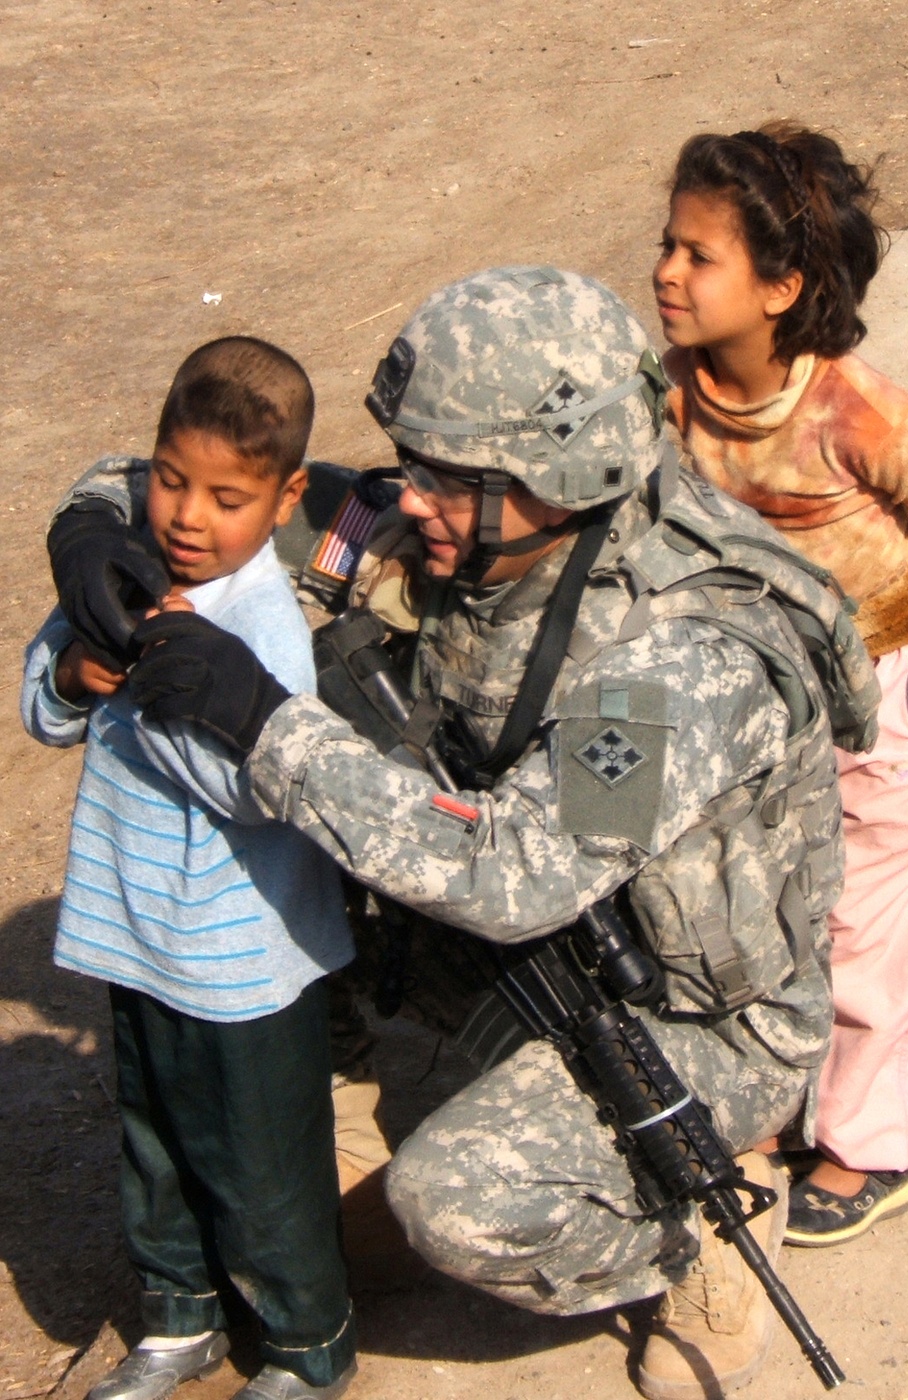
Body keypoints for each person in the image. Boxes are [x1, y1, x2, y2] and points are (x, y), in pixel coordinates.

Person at [44, 268, 864, 1399]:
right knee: (271, 901)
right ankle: (367, 1120)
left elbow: (512, 870)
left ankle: (703, 1219)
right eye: (415, 466)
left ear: (558, 476)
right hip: (535, 946)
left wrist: (260, 721)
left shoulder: (677, 659)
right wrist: (89, 542)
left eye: (447, 478)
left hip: (690, 1016)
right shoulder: (460, 531)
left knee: (456, 1205)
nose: (407, 499)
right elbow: (168, 485)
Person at [652, 122, 908, 1246]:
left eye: (698, 256)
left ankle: (870, 1146)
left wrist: (902, 614)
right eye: (669, 244)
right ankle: (793, 1101)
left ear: (781, 286)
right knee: (781, 897)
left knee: (876, 923)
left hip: (890, 676)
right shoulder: (675, 392)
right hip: (774, 687)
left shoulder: (857, 410)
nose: (667, 271)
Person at [23, 337, 359, 1400]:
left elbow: (255, 791)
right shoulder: (130, 572)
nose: (186, 516)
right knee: (154, 1138)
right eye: (171, 480)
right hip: (136, 926)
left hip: (245, 958)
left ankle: (309, 1344)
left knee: (263, 1160)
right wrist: (81, 674)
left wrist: (151, 685)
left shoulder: (261, 621)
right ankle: (181, 1316)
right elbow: (41, 706)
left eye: (226, 496)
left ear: (285, 494)